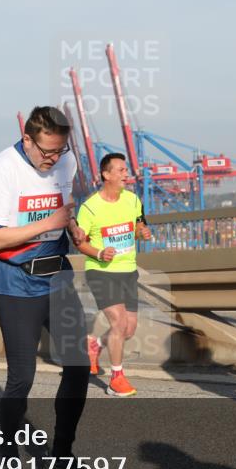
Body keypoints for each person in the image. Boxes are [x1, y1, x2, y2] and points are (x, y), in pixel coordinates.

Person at [0, 106, 101, 469]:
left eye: (59, 152)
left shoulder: (66, 161)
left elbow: (64, 208)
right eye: (46, 152)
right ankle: (10, 457)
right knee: (22, 378)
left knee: (79, 366)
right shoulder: (4, 167)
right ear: (27, 139)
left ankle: (62, 457)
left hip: (58, 276)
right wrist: (48, 223)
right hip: (17, 283)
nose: (52, 160)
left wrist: (75, 229)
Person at [76, 152, 152, 396]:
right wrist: (99, 253)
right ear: (105, 175)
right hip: (101, 272)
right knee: (118, 323)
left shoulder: (133, 200)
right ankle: (116, 379)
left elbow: (139, 226)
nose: (125, 174)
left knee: (128, 330)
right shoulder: (89, 208)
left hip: (128, 271)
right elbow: (81, 243)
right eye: (120, 170)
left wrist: (142, 233)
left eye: (126, 170)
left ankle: (94, 345)